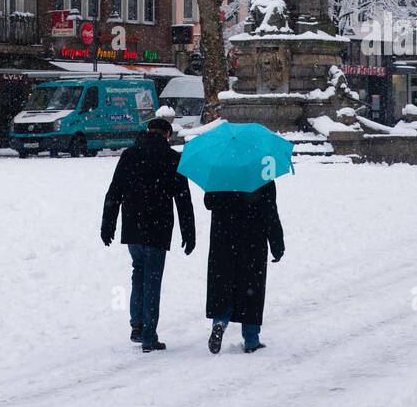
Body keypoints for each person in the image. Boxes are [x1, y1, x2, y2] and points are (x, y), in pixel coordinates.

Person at [101, 116, 195, 352]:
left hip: (133, 226)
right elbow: (183, 199)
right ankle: (149, 335)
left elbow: (114, 191)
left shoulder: (129, 155)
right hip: (159, 226)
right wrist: (188, 232)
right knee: (152, 279)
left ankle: (137, 324)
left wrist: (107, 225)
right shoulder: (173, 159)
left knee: (138, 272)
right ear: (166, 135)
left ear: (148, 131)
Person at [204, 181, 284, 354]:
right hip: (253, 239)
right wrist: (277, 243)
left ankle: (219, 322)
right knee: (251, 287)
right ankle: (251, 339)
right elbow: (270, 210)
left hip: (223, 237)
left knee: (223, 283)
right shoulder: (261, 173)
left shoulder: (220, 171)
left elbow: (208, 202)